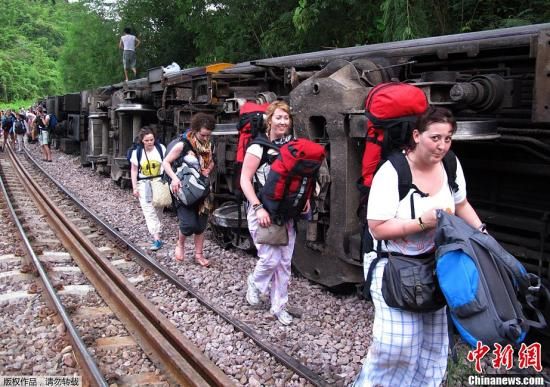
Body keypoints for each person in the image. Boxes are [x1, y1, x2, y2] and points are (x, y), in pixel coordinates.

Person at [353, 106, 486, 387]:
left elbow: (461, 204)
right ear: (416, 135)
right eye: (435, 137)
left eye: (448, 138)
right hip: (392, 263)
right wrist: (422, 223)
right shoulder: (392, 172)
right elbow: (377, 227)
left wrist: (483, 234)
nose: (442, 145)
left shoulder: (450, 164)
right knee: (397, 346)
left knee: (433, 346)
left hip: (435, 263)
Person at [240, 100, 308, 326]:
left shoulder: (293, 147)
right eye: (278, 117)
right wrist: (257, 207)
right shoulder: (257, 147)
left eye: (286, 118)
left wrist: (305, 201)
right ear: (269, 120)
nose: (282, 122)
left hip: (285, 213)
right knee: (269, 259)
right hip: (262, 211)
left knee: (284, 263)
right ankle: (255, 283)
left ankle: (279, 307)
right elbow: (244, 179)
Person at [162, 113, 216, 267]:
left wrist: (208, 169)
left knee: (201, 224)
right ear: (195, 130)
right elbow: (166, 162)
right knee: (188, 224)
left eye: (208, 135)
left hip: (202, 188)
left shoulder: (209, 145)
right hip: (184, 188)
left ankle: (199, 255)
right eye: (203, 135)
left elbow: (211, 162)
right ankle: (180, 244)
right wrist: (174, 178)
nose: (205, 138)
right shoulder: (183, 145)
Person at [130, 127, 166, 251]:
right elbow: (134, 170)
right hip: (144, 184)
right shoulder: (137, 153)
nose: (150, 142)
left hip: (159, 182)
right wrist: (134, 187)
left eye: (151, 139)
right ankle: (157, 238)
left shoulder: (161, 149)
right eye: (147, 140)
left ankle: (157, 230)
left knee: (159, 208)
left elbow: (166, 165)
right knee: (149, 211)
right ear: (142, 141)